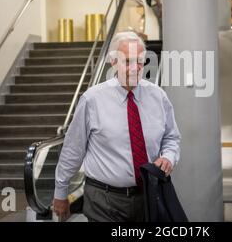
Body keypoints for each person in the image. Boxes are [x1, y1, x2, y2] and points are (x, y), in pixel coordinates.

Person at [52, 31, 181, 222]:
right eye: (127, 61)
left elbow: (171, 138)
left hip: (149, 196)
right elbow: (73, 150)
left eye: (139, 61)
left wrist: (169, 156)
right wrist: (60, 192)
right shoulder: (92, 100)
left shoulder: (158, 97)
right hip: (103, 201)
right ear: (113, 63)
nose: (134, 68)